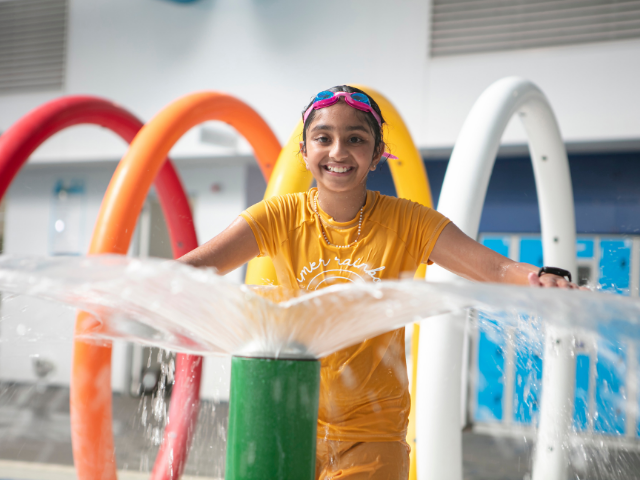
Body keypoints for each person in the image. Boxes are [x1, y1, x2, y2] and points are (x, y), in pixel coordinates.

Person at [178, 85, 577, 479]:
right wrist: (127, 290)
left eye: (355, 139)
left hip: (372, 433)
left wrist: (539, 279)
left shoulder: (408, 222)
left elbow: (493, 269)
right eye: (323, 138)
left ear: (376, 154)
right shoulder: (277, 217)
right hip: (284, 420)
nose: (338, 151)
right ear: (305, 152)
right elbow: (195, 268)